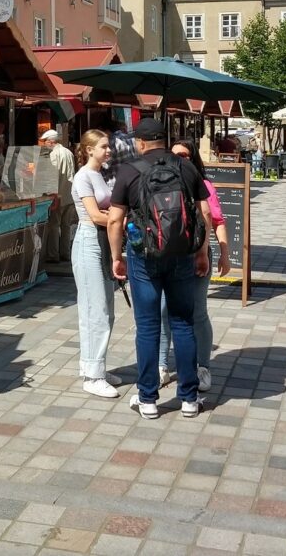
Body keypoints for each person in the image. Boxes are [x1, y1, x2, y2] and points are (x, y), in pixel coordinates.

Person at [107, 118, 211, 419]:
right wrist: (202, 252)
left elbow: (114, 220)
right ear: (164, 140)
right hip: (182, 256)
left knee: (148, 326)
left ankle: (148, 398)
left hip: (144, 258)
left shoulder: (129, 170)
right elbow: (203, 213)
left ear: (140, 143)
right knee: (183, 323)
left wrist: (117, 256)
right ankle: (190, 399)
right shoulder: (187, 168)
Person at [158, 139, 230, 391]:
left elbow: (218, 220)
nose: (180, 159)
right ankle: (161, 365)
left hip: (197, 255)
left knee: (197, 312)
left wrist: (223, 253)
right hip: (168, 255)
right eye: (175, 154)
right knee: (165, 311)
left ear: (194, 158)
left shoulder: (205, 185)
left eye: (185, 155)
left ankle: (203, 367)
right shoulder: (161, 183)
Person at [70, 129, 121, 398]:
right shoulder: (82, 176)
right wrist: (121, 219)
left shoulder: (99, 174)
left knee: (106, 310)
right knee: (94, 311)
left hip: (101, 240)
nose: (109, 150)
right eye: (103, 146)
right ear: (89, 149)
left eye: (108, 146)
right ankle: (92, 375)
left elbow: (107, 213)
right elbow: (93, 215)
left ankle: (96, 365)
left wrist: (111, 216)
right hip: (89, 240)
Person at [40, 129, 77, 263]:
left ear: (51, 141)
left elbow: (52, 176)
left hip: (58, 195)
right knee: (66, 225)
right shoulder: (68, 152)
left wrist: (50, 194)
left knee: (54, 225)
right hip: (70, 194)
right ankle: (65, 253)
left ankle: (53, 255)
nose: (44, 144)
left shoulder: (53, 154)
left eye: (45, 142)